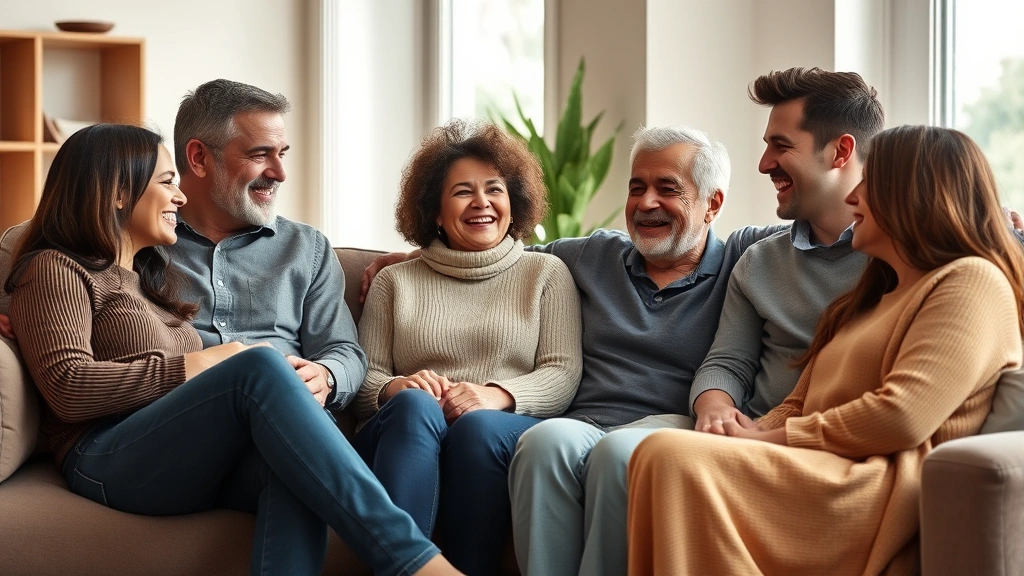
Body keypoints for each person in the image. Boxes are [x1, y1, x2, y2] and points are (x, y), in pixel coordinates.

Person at [4, 124, 460, 575]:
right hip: (103, 456)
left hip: (177, 454)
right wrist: (202, 363)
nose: (180, 198)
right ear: (119, 192)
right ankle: (410, 560)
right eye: (167, 183)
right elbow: (67, 387)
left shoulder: (148, 279)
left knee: (289, 465)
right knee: (256, 362)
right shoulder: (57, 267)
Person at [627, 125, 1024, 575]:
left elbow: (902, 416)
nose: (853, 199)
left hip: (874, 486)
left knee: (668, 457)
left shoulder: (970, 281)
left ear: (913, 194)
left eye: (869, 185)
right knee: (662, 452)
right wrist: (745, 434)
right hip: (818, 465)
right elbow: (798, 401)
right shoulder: (870, 296)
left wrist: (772, 440)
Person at [352, 119, 582, 576]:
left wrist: (493, 396)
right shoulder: (394, 281)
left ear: (513, 203)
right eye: (462, 192)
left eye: (494, 189)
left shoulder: (546, 274)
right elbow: (363, 383)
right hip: (408, 430)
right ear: (435, 211)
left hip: (498, 428)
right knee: (417, 407)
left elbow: (561, 372)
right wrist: (398, 388)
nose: (482, 203)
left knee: (477, 428)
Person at [690, 67, 883, 433]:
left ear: (841, 151)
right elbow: (728, 362)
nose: (764, 164)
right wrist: (715, 407)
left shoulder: (903, 258)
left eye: (782, 145)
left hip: (832, 443)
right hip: (753, 435)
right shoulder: (758, 261)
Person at [170, 79, 365, 410]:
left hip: (287, 418)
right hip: (189, 422)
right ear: (199, 157)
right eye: (260, 154)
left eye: (282, 154)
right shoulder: (142, 245)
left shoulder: (308, 248)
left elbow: (343, 350)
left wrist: (326, 375)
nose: (280, 173)